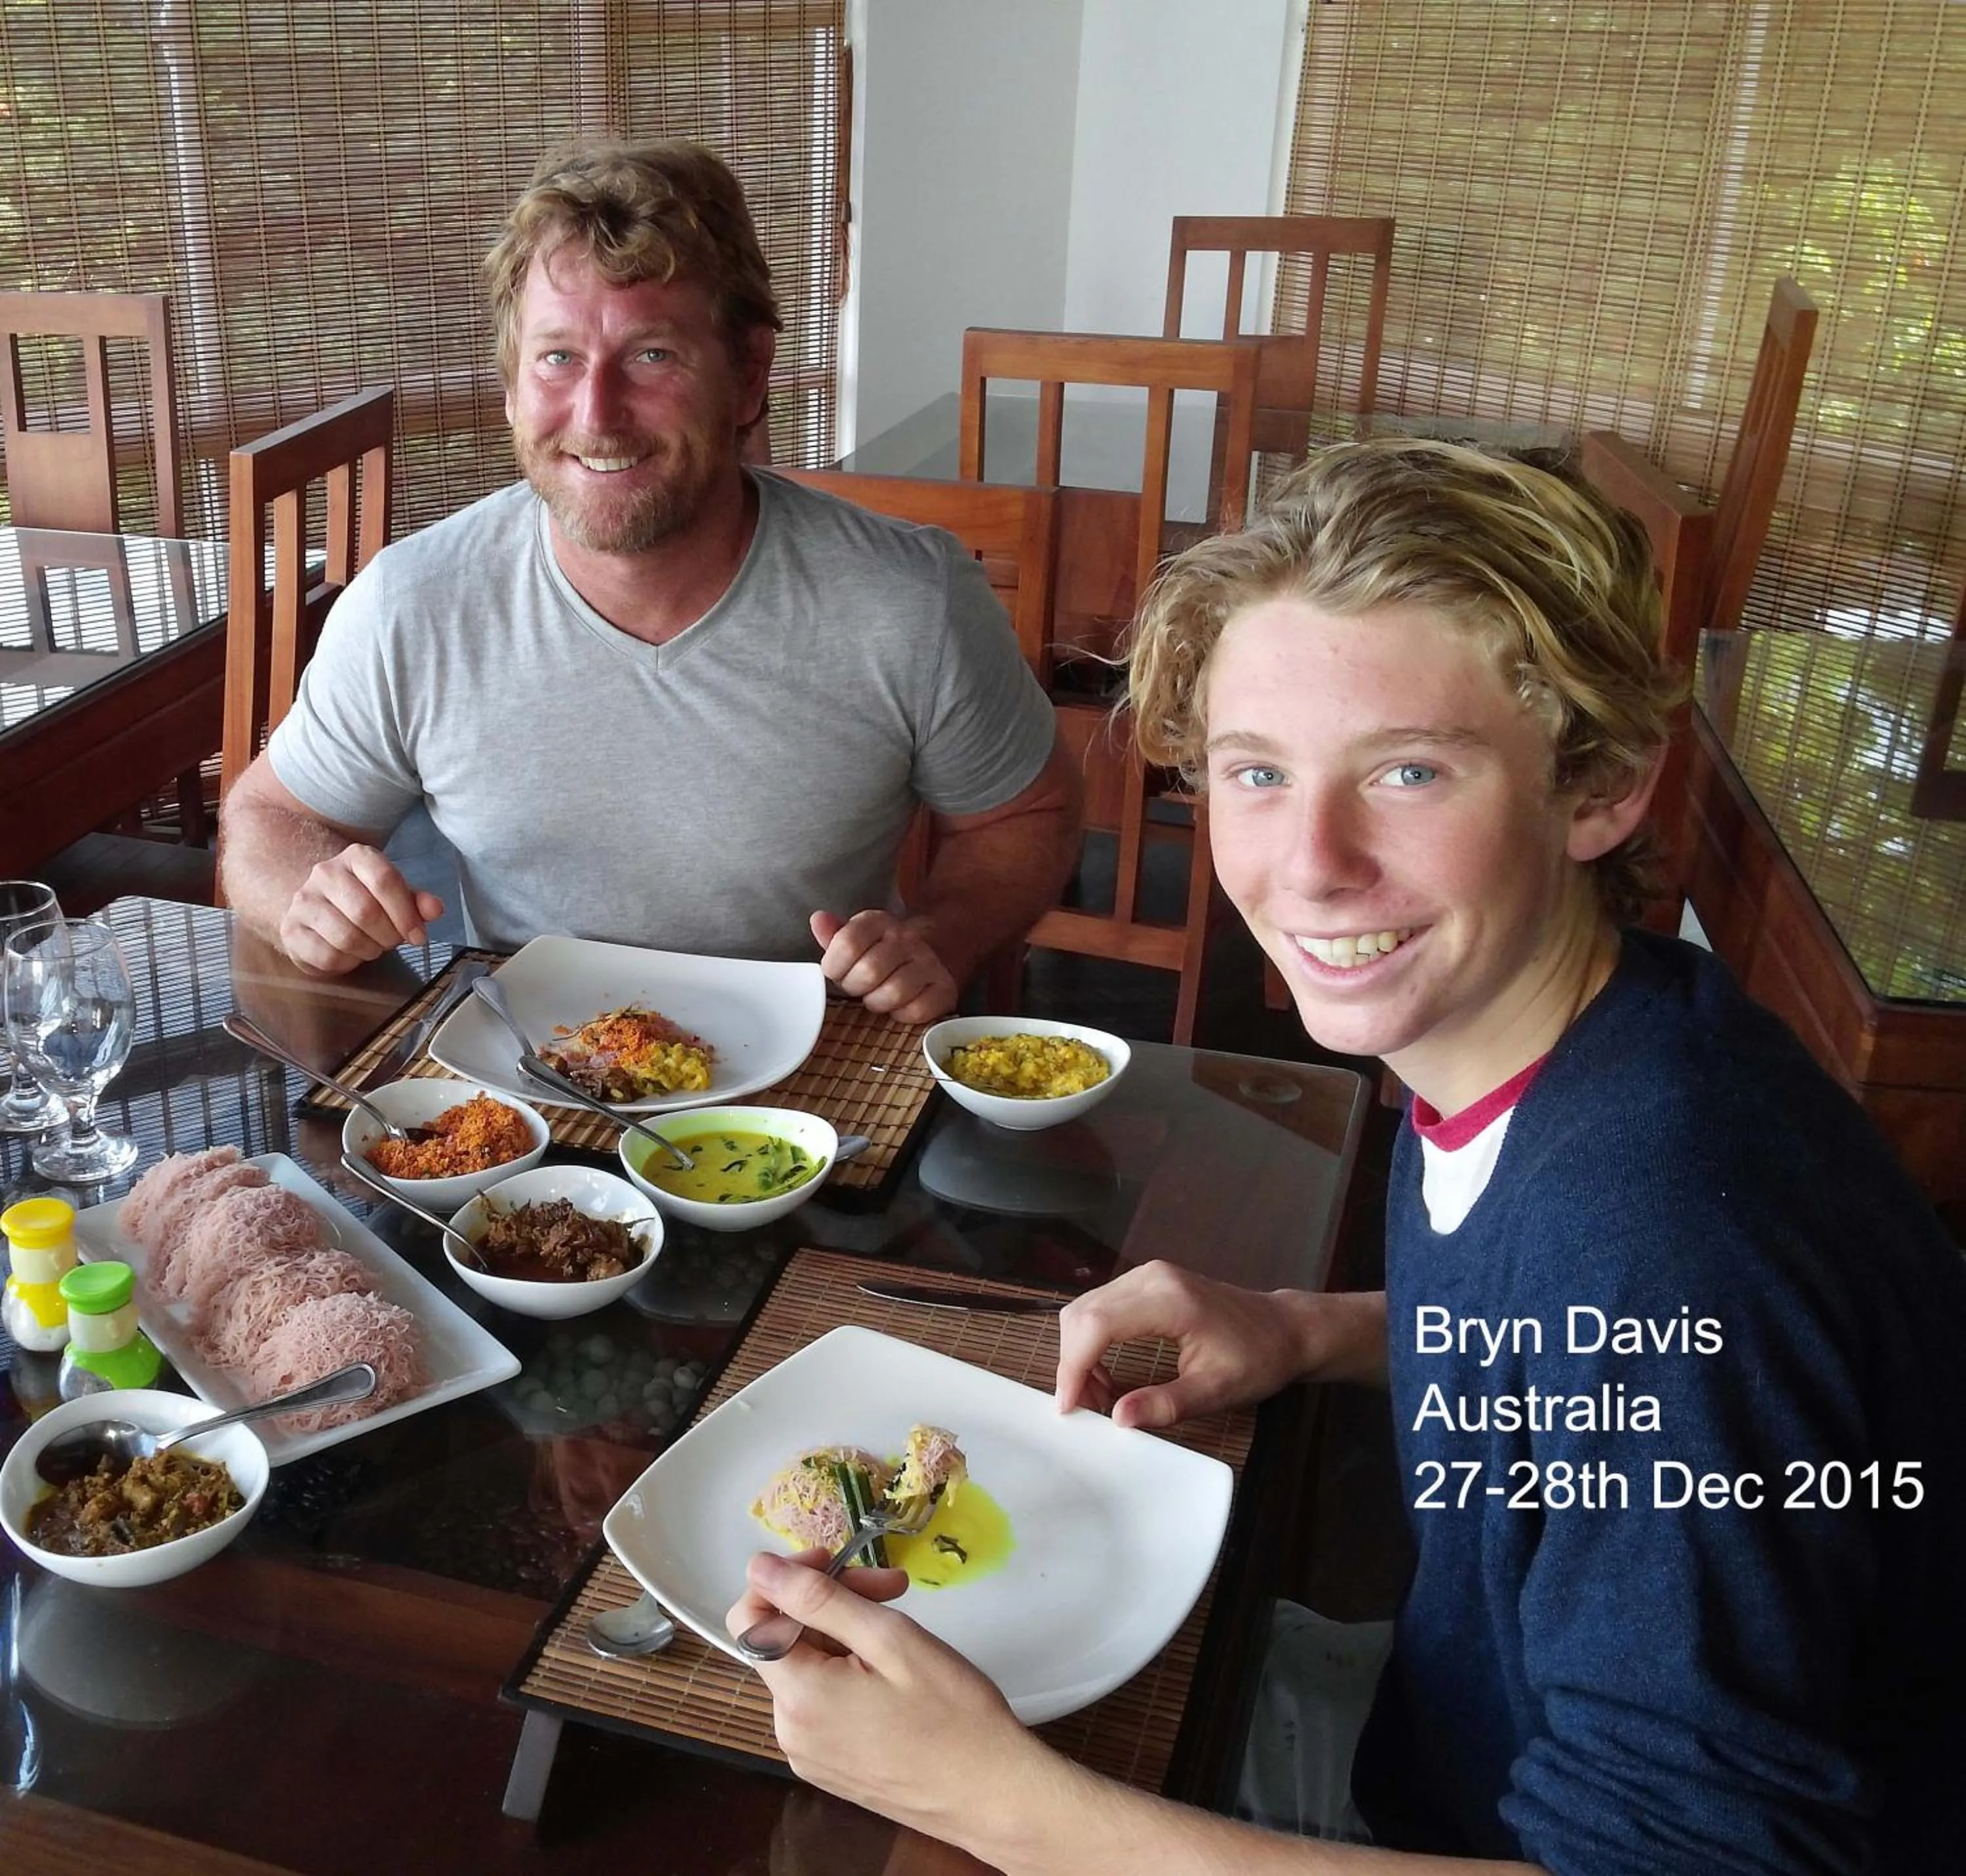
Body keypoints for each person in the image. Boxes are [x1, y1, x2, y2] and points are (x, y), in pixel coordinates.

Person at [727, 439, 1966, 1873]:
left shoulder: (1669, 1230)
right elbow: (1582, 1357)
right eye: (1257, 772)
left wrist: (1004, 1809)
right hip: (1443, 1722)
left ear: (1602, 785)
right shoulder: (1598, 1043)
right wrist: (1306, 1329)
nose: (1310, 862)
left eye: (1410, 772)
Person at [220, 137, 1079, 1023]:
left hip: (817, 1081)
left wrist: (940, 935)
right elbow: (264, 821)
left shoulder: (908, 601)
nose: (597, 415)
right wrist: (305, 899)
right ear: (512, 387)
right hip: (530, 1086)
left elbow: (1027, 812)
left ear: (747, 376)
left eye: (653, 356)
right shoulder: (414, 604)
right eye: (557, 358)